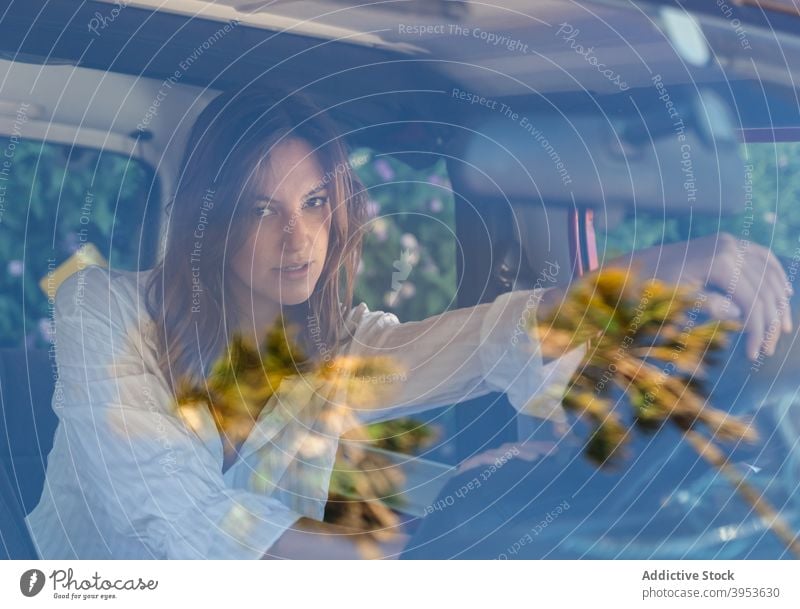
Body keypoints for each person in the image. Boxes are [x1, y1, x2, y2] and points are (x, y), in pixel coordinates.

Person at [25, 87, 792, 560]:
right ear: (209, 219)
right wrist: (388, 547)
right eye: (261, 209)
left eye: (315, 203)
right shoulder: (103, 307)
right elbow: (168, 520)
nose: (298, 238)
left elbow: (492, 337)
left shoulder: (342, 346)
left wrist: (649, 275)